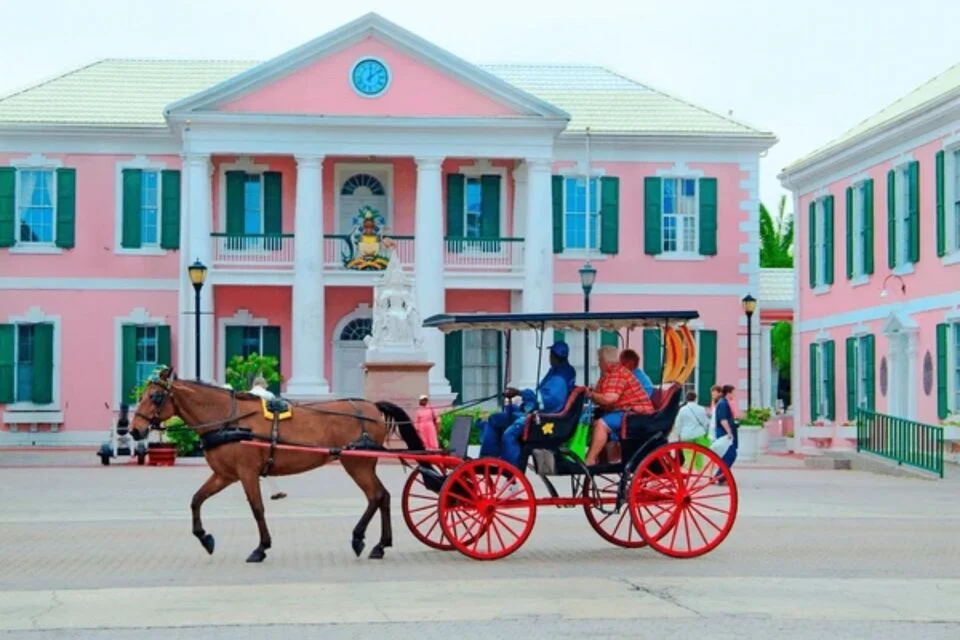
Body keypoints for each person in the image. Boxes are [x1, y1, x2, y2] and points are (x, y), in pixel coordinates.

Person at [479, 341, 577, 469]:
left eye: (551, 354)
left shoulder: (561, 377)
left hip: (545, 418)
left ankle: (512, 469)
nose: (549, 357)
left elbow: (548, 401)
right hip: (537, 412)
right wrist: (524, 404)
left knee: (509, 435)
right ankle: (488, 458)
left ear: (554, 356)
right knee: (495, 419)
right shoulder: (556, 371)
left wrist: (520, 393)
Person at [584, 346, 655, 466]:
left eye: (599, 360)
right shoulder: (607, 374)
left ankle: (590, 459)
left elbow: (610, 398)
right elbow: (600, 395)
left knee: (602, 424)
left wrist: (591, 394)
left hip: (635, 412)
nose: (598, 363)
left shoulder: (617, 374)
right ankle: (604, 456)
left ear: (606, 361)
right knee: (596, 420)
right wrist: (592, 394)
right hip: (623, 409)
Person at [248, 375, 287, 500]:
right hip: (266, 429)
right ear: (263, 384)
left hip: (248, 429)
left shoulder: (248, 394)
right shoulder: (268, 394)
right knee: (264, 463)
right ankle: (272, 491)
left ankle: (274, 491)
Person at [673, 390, 713, 469]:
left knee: (688, 455)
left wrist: (678, 435)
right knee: (699, 455)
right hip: (699, 434)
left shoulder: (682, 409)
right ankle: (698, 470)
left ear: (686, 398)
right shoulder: (701, 408)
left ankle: (691, 470)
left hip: (686, 435)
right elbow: (705, 422)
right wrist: (705, 432)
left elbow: (678, 424)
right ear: (696, 398)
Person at [714, 384, 739, 482]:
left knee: (728, 455)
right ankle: (720, 476)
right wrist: (729, 432)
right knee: (730, 454)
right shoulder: (723, 403)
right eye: (733, 392)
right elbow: (723, 420)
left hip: (725, 432)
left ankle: (721, 476)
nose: (734, 394)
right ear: (728, 393)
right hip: (724, 433)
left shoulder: (725, 403)